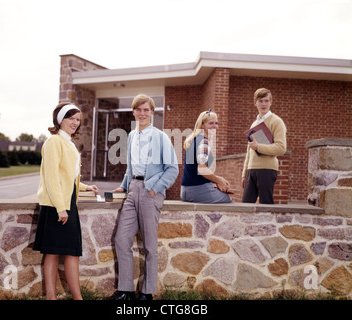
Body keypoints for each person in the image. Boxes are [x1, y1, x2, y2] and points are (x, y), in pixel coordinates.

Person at [112, 94, 178, 300]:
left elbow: (172, 169)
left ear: (152, 112)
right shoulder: (131, 136)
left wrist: (154, 188)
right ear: (133, 112)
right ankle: (125, 291)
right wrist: (124, 186)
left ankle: (147, 293)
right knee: (122, 239)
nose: (142, 113)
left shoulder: (160, 137)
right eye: (138, 110)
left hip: (151, 192)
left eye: (146, 110)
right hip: (133, 190)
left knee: (149, 245)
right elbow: (130, 167)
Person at [33, 102, 99, 300]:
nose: (75, 123)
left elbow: (68, 177)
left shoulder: (69, 143)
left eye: (78, 120)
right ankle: (52, 297)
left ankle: (76, 298)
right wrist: (61, 208)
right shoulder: (54, 142)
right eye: (71, 118)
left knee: (72, 252)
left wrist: (86, 187)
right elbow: (52, 177)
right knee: (53, 253)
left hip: (68, 203)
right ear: (60, 120)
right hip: (56, 205)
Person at [242, 88, 287, 204]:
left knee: (266, 206)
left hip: (267, 169)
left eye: (266, 101)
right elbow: (249, 150)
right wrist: (244, 174)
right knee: (246, 206)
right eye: (260, 101)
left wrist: (259, 147)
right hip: (251, 170)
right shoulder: (254, 123)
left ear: (271, 102)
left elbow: (281, 148)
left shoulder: (277, 122)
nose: (263, 104)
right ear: (255, 102)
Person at [181, 109, 232, 203]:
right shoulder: (204, 142)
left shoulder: (193, 140)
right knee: (227, 199)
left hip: (185, 191)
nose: (215, 126)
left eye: (216, 123)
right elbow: (202, 169)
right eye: (211, 123)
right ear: (202, 125)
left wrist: (217, 179)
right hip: (197, 191)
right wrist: (219, 181)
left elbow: (195, 170)